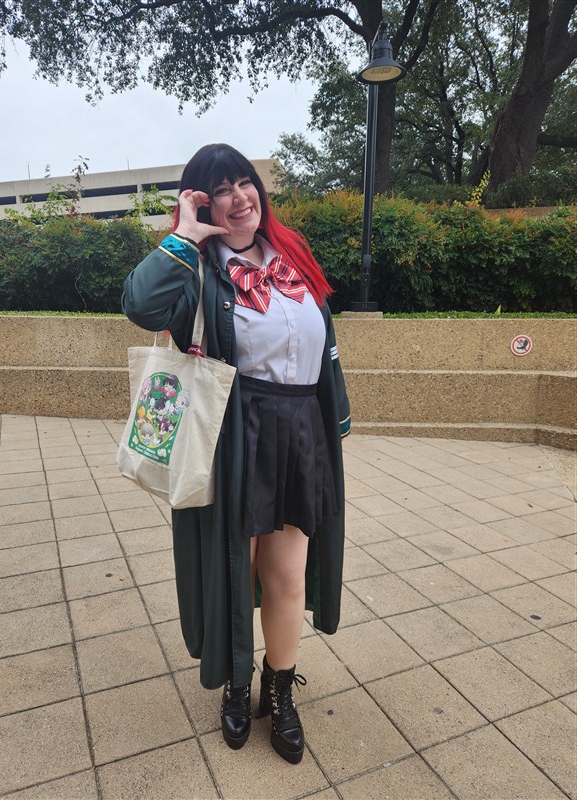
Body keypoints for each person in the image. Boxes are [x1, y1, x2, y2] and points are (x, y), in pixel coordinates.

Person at [122, 144, 350, 765]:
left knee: (287, 574)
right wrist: (184, 236)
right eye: (221, 190)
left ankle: (280, 688)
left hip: (300, 428)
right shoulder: (197, 270)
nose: (240, 197)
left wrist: (333, 419)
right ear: (202, 203)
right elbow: (139, 304)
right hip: (236, 434)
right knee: (233, 567)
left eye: (244, 182)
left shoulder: (293, 254)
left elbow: (323, 344)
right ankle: (236, 683)